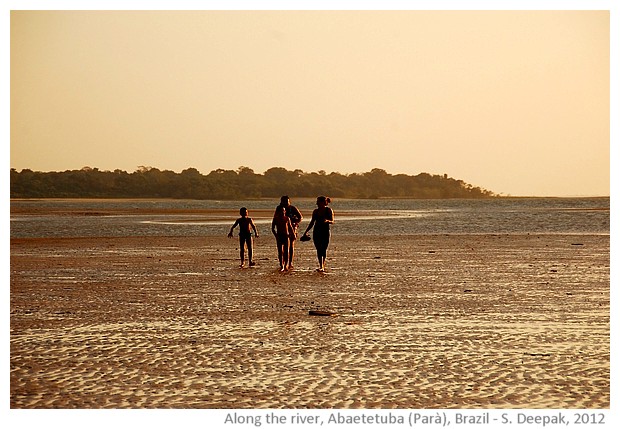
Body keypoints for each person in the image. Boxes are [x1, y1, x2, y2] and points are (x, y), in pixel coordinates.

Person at [302, 196, 334, 272]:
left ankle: (323, 265)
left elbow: (332, 221)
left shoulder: (328, 210)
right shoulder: (315, 211)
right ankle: (321, 265)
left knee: (324, 249)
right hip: (317, 231)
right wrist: (306, 232)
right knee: (318, 249)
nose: (317, 203)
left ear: (323, 202)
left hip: (325, 231)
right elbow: (312, 222)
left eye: (318, 201)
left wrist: (327, 221)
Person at [274, 196, 303, 269]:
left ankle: (290, 262)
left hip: (292, 228)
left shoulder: (293, 208)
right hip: (282, 230)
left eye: (288, 201)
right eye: (285, 202)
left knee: (291, 246)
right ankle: (282, 263)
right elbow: (275, 218)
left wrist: (295, 223)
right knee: (282, 248)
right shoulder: (279, 208)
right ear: (281, 202)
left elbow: (300, 217)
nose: (286, 203)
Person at [271, 205, 294, 272]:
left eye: (283, 211)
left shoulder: (287, 218)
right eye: (281, 211)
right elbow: (272, 229)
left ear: (285, 211)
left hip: (286, 236)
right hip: (279, 236)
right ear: (278, 212)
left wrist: (293, 234)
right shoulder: (275, 219)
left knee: (286, 251)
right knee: (280, 251)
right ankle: (281, 265)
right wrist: (276, 235)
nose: (282, 212)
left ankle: (286, 264)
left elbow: (290, 227)